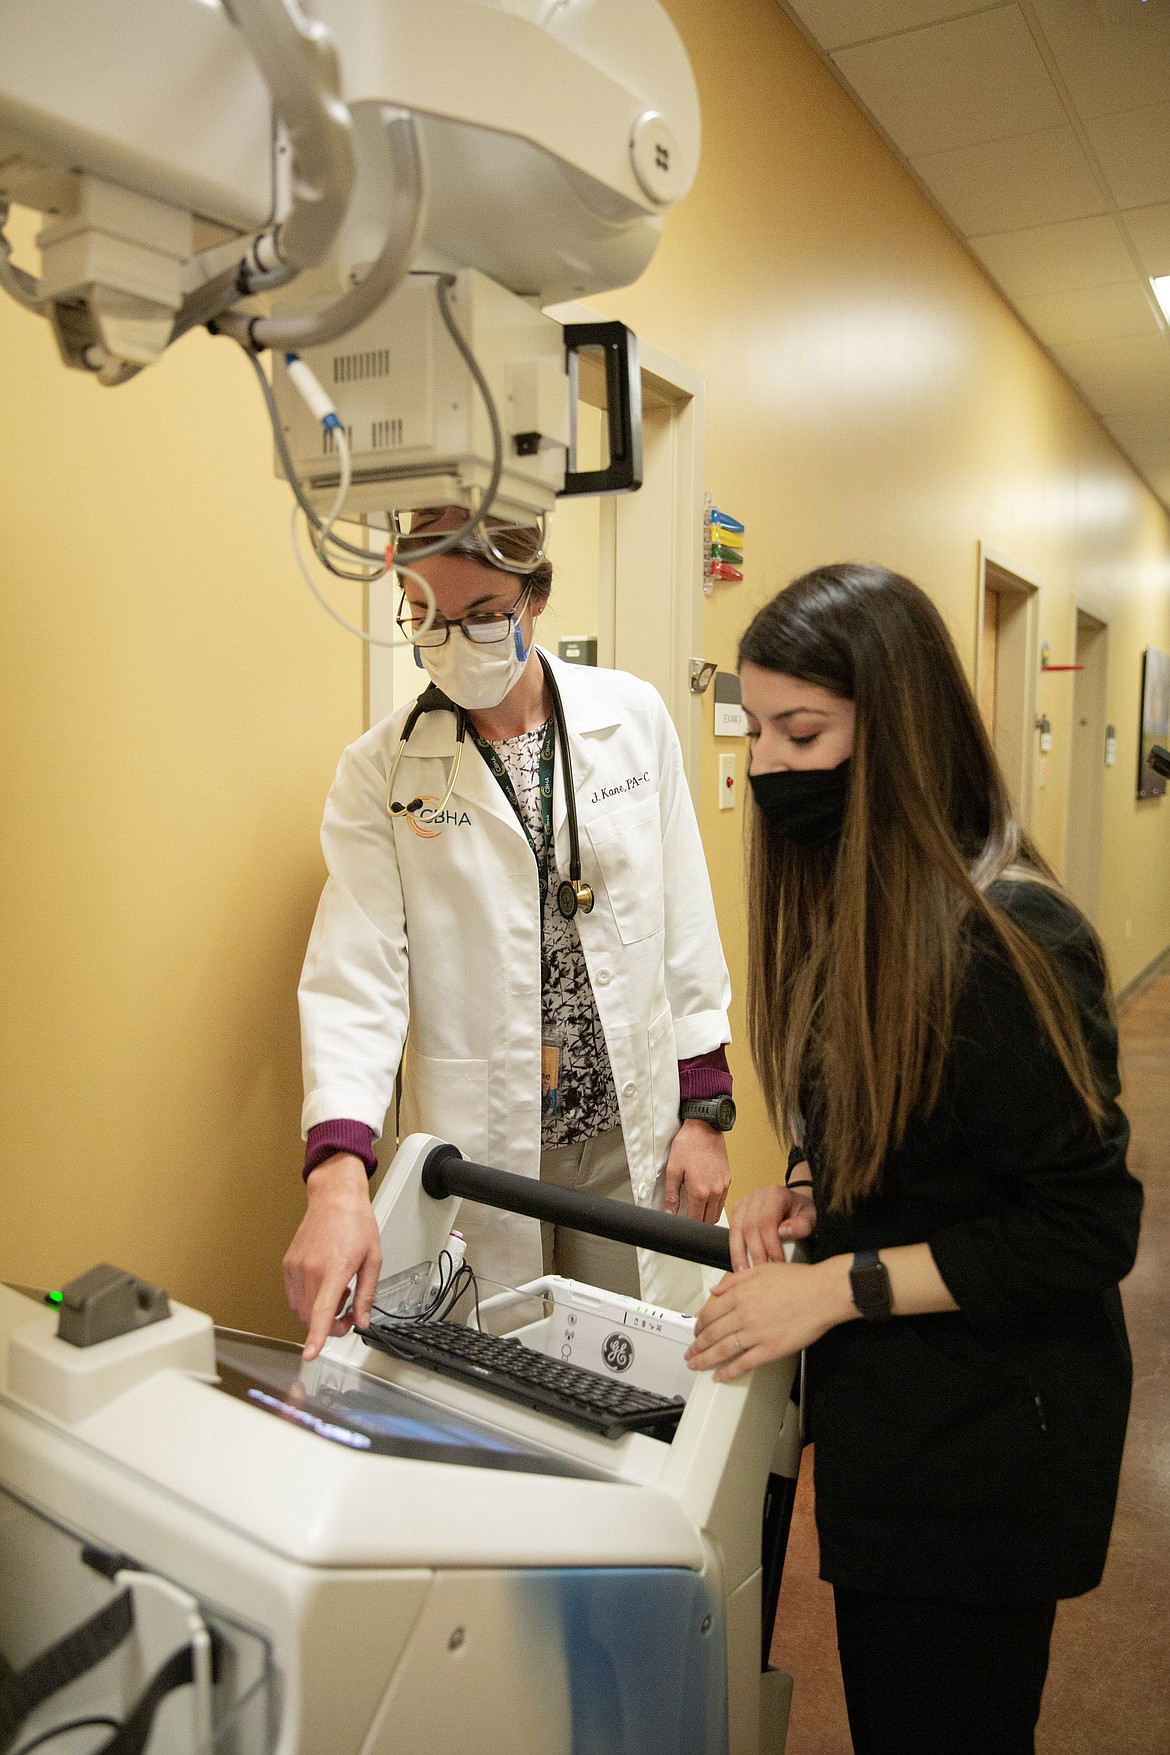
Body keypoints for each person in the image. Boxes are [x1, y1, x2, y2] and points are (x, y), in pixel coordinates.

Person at [685, 563, 1143, 1755]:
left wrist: (830, 1286)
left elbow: (1083, 1228)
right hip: (904, 1414)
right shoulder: (865, 901)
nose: (769, 766)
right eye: (756, 732)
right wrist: (802, 1196)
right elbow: (891, 1120)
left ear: (898, 730)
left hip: (994, 1436)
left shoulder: (1003, 941)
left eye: (804, 733)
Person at [284, 506, 735, 1360]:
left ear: (535, 598)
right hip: (483, 1146)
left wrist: (705, 1108)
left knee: (632, 1364)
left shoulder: (631, 719)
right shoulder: (380, 771)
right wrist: (338, 1170)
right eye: (428, 618)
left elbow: (685, 919)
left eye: (484, 613)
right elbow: (357, 973)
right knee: (498, 1377)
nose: (455, 641)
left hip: (622, 1130)